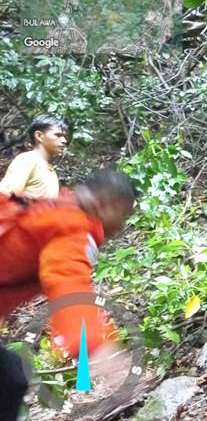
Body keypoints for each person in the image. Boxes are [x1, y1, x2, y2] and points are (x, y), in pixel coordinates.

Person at [0, 169, 137, 421]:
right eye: (124, 215)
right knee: (9, 379)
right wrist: (93, 345)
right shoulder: (74, 227)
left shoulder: (54, 208)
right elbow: (67, 279)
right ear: (107, 204)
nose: (122, 226)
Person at [0, 115, 69, 199]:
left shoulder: (50, 171)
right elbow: (4, 197)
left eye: (65, 137)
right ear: (39, 136)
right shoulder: (27, 161)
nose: (64, 141)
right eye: (58, 135)